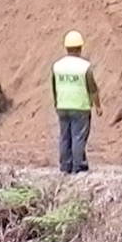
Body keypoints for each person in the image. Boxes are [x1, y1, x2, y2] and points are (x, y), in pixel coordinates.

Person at [52, 30, 97, 175]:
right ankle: (79, 166)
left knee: (65, 137)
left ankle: (65, 166)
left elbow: (54, 86)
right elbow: (92, 88)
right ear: (80, 47)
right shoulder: (85, 67)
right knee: (78, 137)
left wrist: (56, 103)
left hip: (62, 106)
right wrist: (98, 105)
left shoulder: (57, 66)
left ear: (66, 47)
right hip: (80, 107)